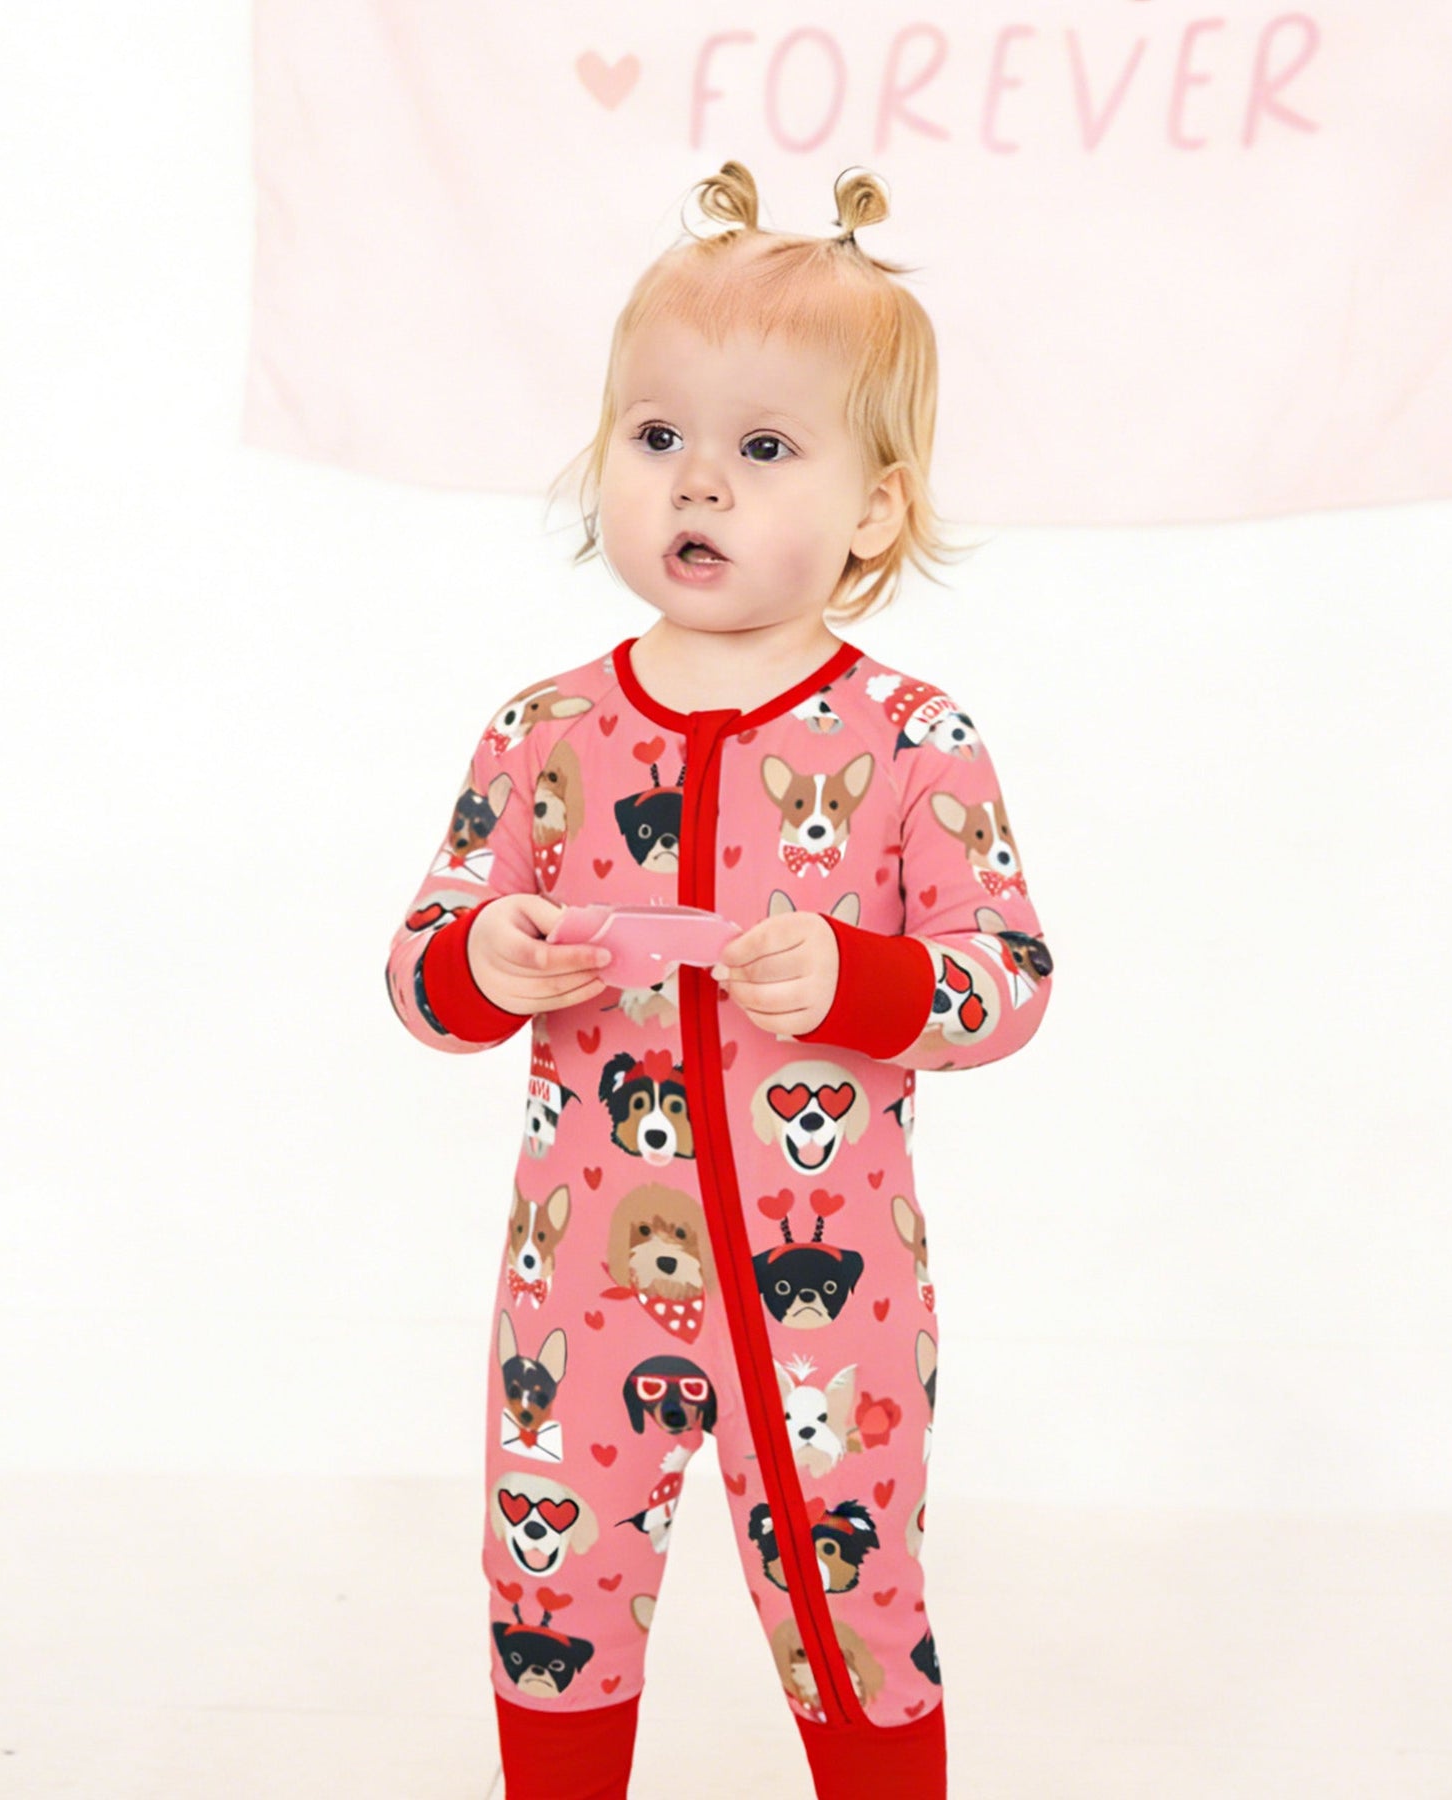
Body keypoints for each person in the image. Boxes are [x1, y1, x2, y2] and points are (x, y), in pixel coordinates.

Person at [385, 159, 1055, 1800]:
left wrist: (858, 979)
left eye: (763, 449)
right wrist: (487, 957)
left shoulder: (913, 740)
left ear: (874, 509)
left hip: (834, 1306)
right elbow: (418, 969)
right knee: (550, 1593)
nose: (697, 481)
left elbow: (1008, 977)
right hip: (579, 1292)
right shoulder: (543, 732)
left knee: (854, 1604)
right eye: (656, 435)